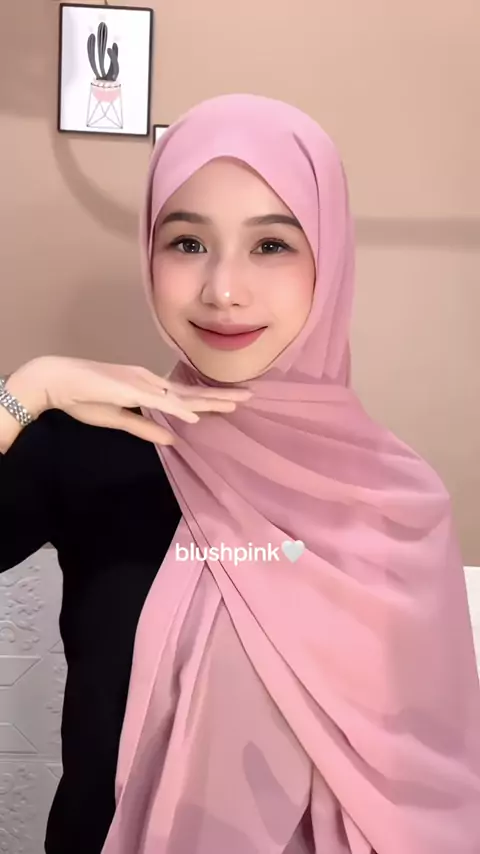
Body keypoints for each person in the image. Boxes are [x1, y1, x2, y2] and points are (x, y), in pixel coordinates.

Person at [1, 94, 479, 854]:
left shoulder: (397, 502)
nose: (223, 289)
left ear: (330, 260)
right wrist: (30, 388)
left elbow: (430, 792)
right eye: (187, 242)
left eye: (272, 245)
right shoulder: (89, 449)